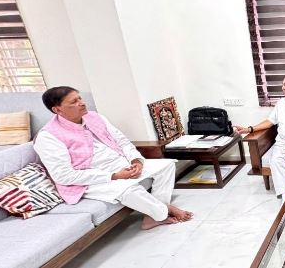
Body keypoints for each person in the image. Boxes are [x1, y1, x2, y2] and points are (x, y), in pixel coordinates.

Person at [33, 86, 193, 230]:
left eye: (80, 98)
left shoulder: (94, 117)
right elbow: (63, 176)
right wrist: (114, 176)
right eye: (74, 102)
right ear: (57, 110)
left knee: (167, 166)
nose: (82, 103)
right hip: (92, 180)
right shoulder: (48, 137)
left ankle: (152, 216)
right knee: (129, 189)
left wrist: (136, 161)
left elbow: (122, 141)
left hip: (121, 166)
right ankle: (163, 212)